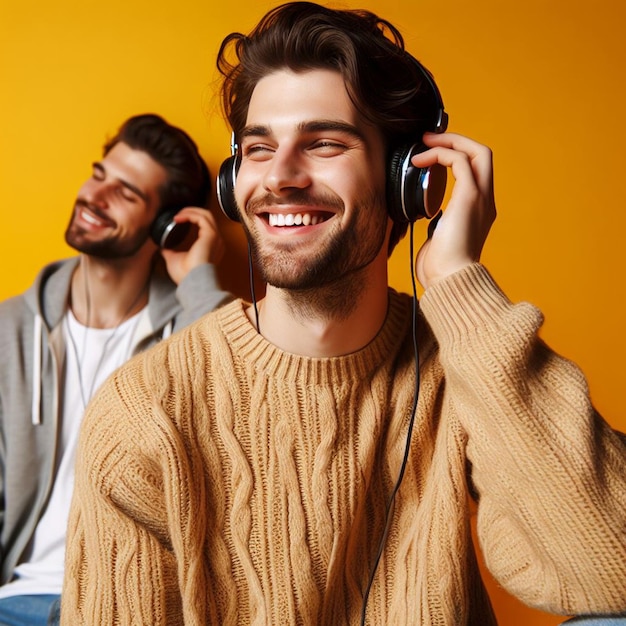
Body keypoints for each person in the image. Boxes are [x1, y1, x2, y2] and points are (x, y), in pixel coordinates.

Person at [61, 4, 626, 625]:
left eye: (324, 143)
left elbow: (613, 569)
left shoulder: (462, 363)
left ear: (408, 183)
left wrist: (457, 280)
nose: (279, 178)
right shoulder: (145, 409)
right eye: (258, 148)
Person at [0, 113, 232, 625]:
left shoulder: (191, 331)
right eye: (99, 174)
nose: (94, 196)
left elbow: (238, 422)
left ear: (165, 226)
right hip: (17, 601)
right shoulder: (9, 331)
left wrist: (199, 284)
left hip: (135, 604)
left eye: (125, 193)